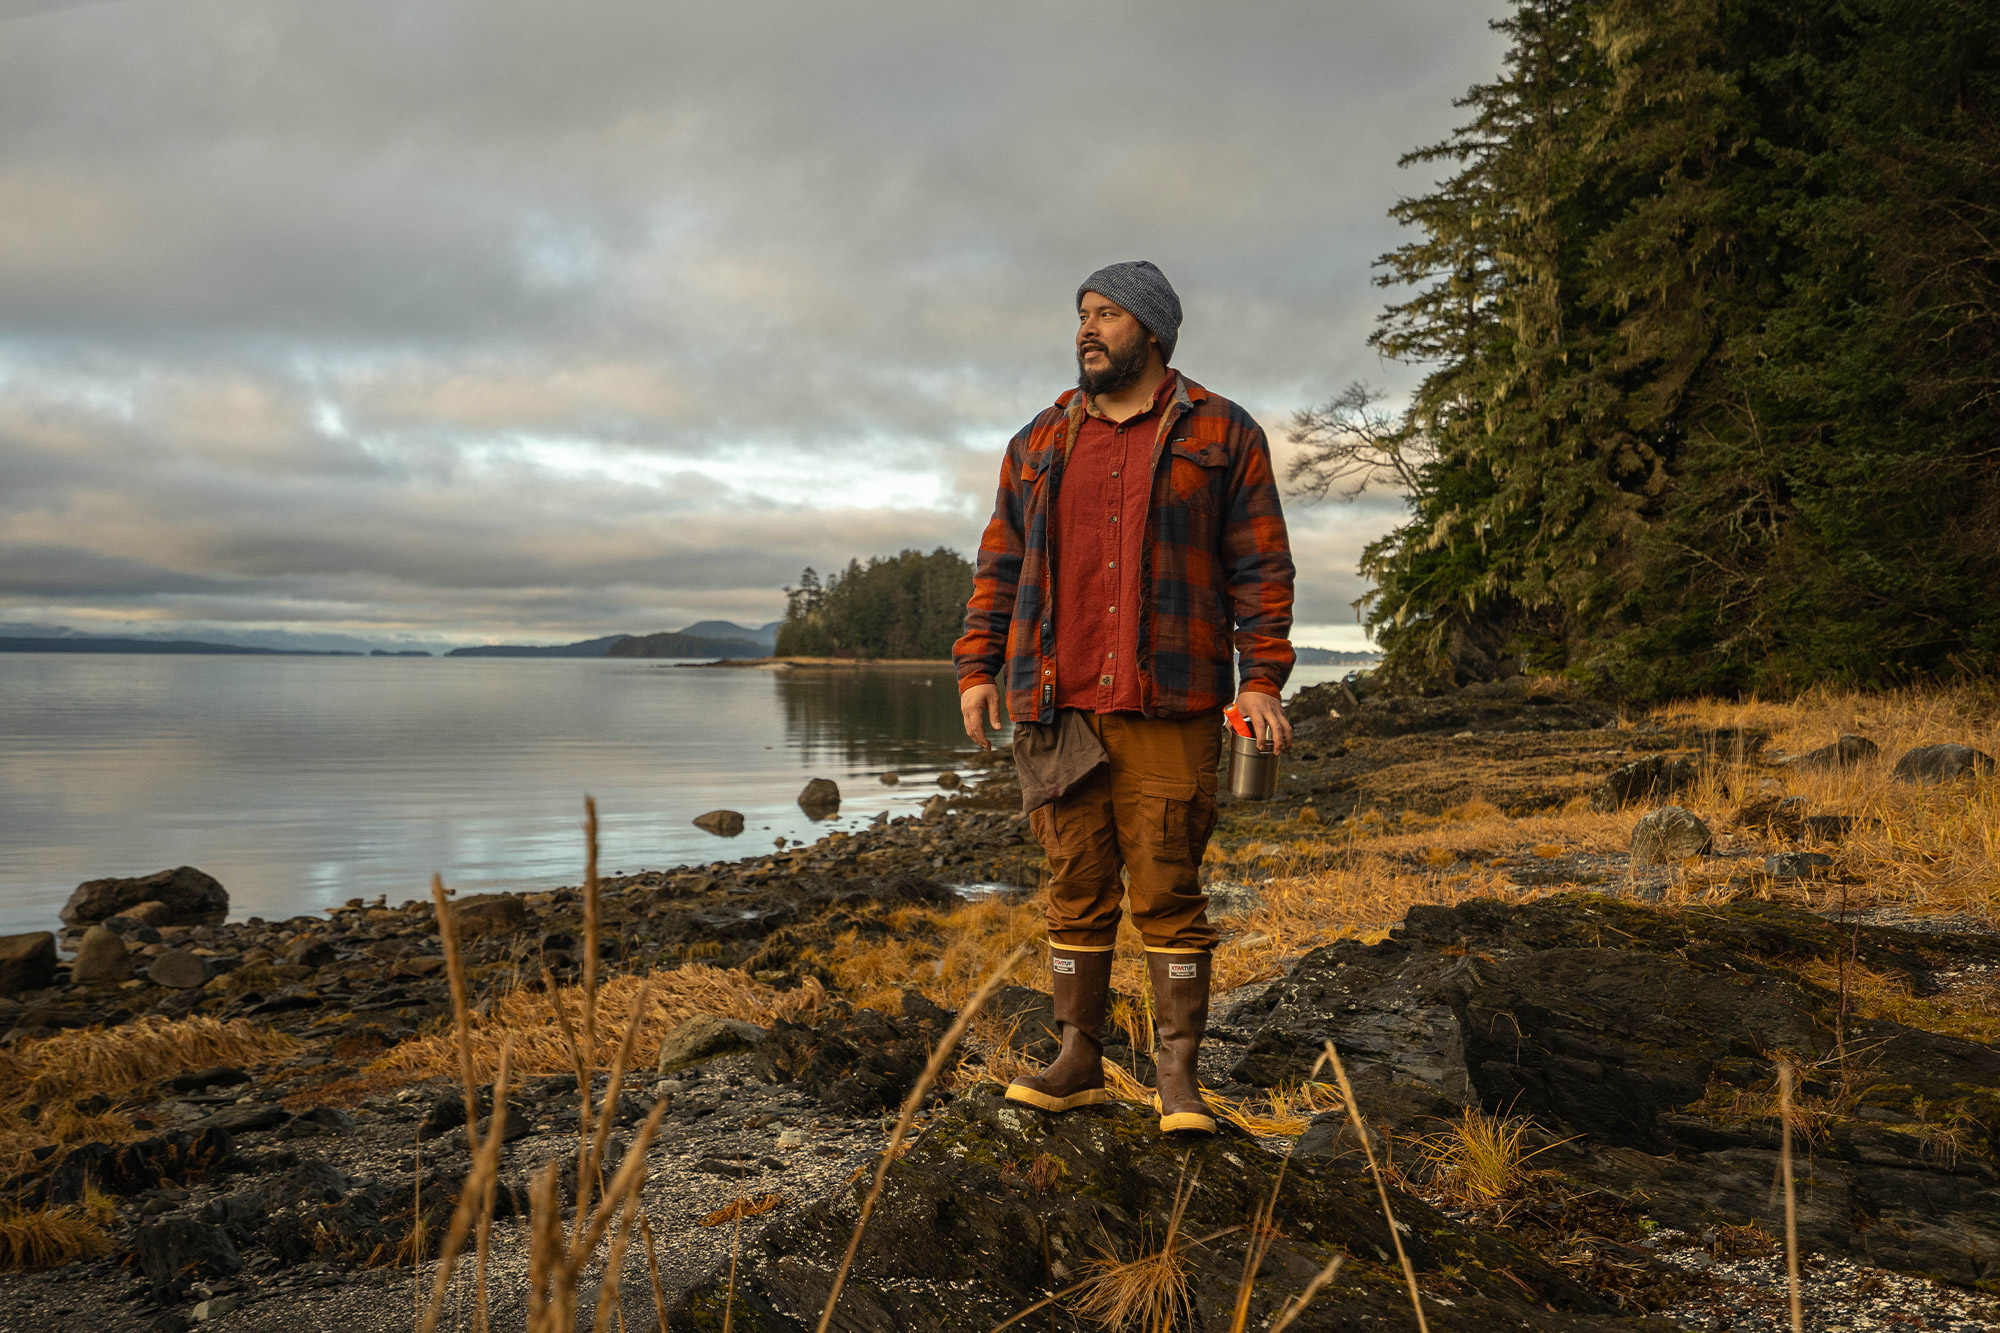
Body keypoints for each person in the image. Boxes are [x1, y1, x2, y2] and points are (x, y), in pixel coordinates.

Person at [953, 260, 1296, 1134]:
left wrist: (1260, 679)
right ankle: (1079, 1056)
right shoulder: (1039, 440)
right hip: (1054, 702)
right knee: (1075, 881)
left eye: (1106, 314)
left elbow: (1259, 566)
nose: (1087, 328)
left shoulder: (1223, 433)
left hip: (1170, 699)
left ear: (1152, 329)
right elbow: (999, 561)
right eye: (1081, 313)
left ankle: (1176, 1076)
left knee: (1169, 882)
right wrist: (976, 666)